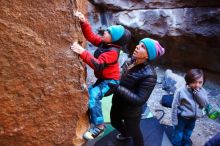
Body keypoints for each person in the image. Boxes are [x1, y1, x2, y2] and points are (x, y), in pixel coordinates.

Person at [71, 11, 131, 140]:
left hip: (111, 82)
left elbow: (97, 65)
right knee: (90, 93)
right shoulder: (105, 43)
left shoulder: (112, 52)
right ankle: (92, 117)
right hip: (104, 79)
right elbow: (91, 37)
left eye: (109, 32)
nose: (105, 32)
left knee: (93, 96)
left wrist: (83, 53)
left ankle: (99, 126)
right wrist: (84, 22)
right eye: (107, 30)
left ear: (115, 39)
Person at [109, 38, 165, 146]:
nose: (137, 47)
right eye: (139, 44)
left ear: (148, 55)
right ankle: (125, 134)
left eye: (143, 47)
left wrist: (117, 88)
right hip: (117, 103)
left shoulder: (150, 75)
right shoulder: (129, 61)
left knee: (135, 133)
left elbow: (140, 100)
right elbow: (120, 77)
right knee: (114, 122)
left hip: (131, 111)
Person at [171, 69, 209, 146]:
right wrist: (174, 120)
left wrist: (198, 94)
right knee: (178, 133)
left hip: (193, 118)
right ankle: (176, 144)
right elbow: (174, 106)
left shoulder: (202, 91)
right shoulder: (181, 91)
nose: (197, 85)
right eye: (194, 82)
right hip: (182, 118)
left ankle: (185, 143)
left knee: (188, 132)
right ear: (188, 81)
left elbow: (205, 104)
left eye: (200, 82)